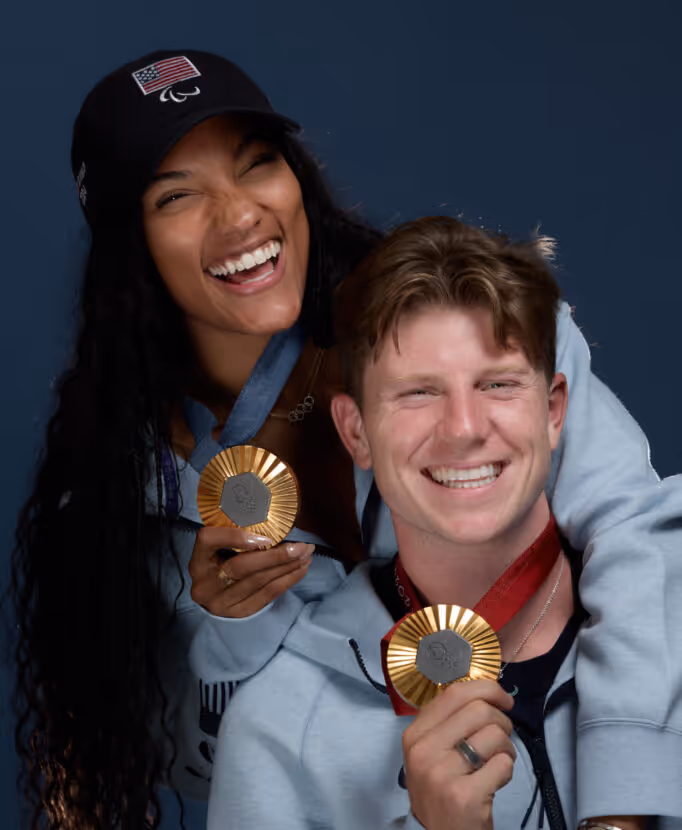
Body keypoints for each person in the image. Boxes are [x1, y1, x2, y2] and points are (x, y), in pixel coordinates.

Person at [10, 48, 682, 829]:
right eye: (177, 197)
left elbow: (635, 535)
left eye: (257, 164)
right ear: (132, 245)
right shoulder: (119, 498)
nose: (239, 216)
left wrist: (624, 797)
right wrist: (232, 630)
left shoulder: (472, 320)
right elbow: (212, 765)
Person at [207, 217, 679, 830]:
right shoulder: (280, 730)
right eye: (417, 393)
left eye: (499, 384)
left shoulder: (665, 634)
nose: (463, 428)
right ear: (356, 433)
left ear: (556, 411)